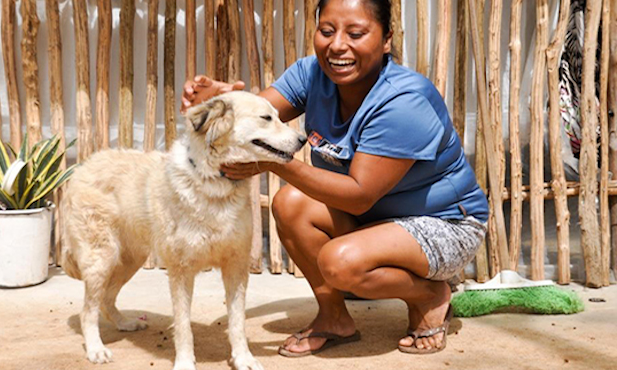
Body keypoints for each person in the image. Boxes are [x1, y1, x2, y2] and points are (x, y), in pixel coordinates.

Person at [181, 0, 488, 356]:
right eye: (327, 31)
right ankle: (333, 318)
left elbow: (359, 195)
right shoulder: (312, 74)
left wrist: (276, 162)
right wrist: (216, 104)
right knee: (289, 204)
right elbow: (251, 121)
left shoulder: (405, 101)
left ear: (386, 39)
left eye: (355, 33)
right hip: (374, 221)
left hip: (444, 224)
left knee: (339, 262)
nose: (337, 45)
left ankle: (431, 293)